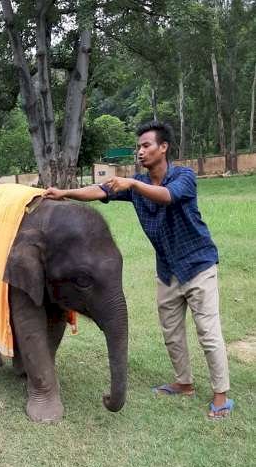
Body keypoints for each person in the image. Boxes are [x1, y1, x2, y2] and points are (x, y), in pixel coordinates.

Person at [44, 120, 234, 420]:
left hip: (198, 265)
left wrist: (132, 184)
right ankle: (183, 383)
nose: (140, 151)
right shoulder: (137, 186)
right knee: (171, 332)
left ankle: (221, 395)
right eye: (139, 147)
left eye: (146, 146)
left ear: (163, 148)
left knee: (208, 332)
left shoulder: (183, 176)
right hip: (167, 270)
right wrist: (63, 192)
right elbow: (99, 190)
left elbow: (168, 197)